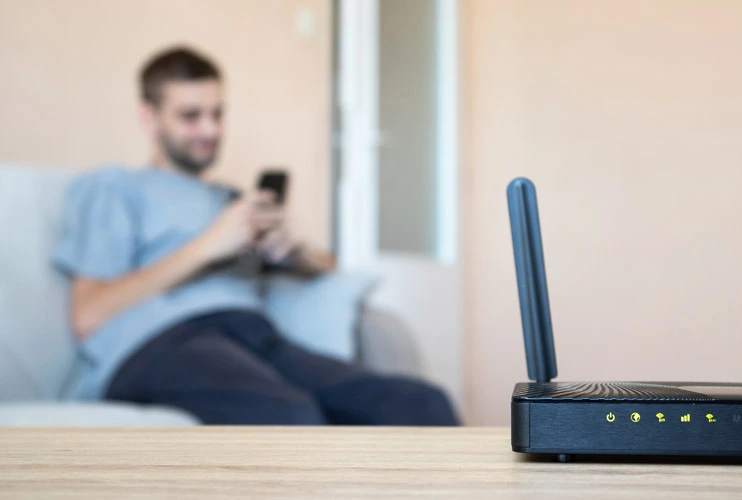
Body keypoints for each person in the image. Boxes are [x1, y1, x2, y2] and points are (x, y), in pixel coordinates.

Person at [53, 46, 458, 425]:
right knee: (288, 417)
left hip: (256, 336)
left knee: (421, 404)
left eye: (218, 114)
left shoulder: (232, 200)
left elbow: (328, 267)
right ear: (149, 117)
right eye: (191, 116)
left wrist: (296, 249)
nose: (210, 129)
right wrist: (208, 246)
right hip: (163, 343)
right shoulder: (116, 187)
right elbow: (88, 314)